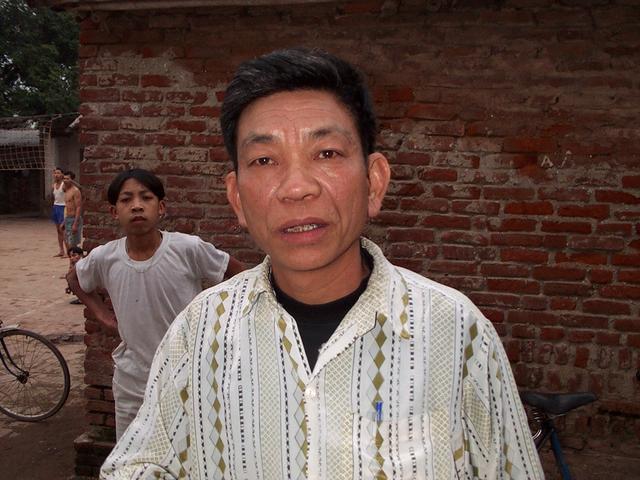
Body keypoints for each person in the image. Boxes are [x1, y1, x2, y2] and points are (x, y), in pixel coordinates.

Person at [101, 49, 542, 479]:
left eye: (327, 153)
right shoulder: (198, 333)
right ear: (237, 197)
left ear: (374, 182)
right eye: (264, 160)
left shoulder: (457, 331)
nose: (296, 188)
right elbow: (140, 463)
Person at [67, 168, 246, 439]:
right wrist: (101, 315)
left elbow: (241, 275)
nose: (137, 206)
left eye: (146, 198)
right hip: (133, 382)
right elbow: (75, 278)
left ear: (161, 207)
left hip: (189, 379)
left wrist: (226, 319)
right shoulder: (105, 258)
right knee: (134, 457)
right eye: (126, 200)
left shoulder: (187, 249)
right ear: (114, 212)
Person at [62, 170, 83, 250]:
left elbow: (78, 207)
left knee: (74, 244)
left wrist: (75, 223)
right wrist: (64, 221)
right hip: (68, 218)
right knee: (67, 241)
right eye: (64, 178)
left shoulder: (76, 191)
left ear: (72, 180)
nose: (65, 180)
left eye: (67, 179)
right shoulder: (66, 190)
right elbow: (67, 207)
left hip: (74, 218)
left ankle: (76, 260)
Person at [51, 167, 66, 257]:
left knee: (63, 230)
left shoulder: (64, 185)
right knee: (58, 230)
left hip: (63, 207)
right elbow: (53, 197)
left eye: (58, 173)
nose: (56, 175)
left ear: (62, 175)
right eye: (55, 173)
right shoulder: (53, 185)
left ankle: (68, 250)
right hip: (56, 206)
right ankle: (61, 250)